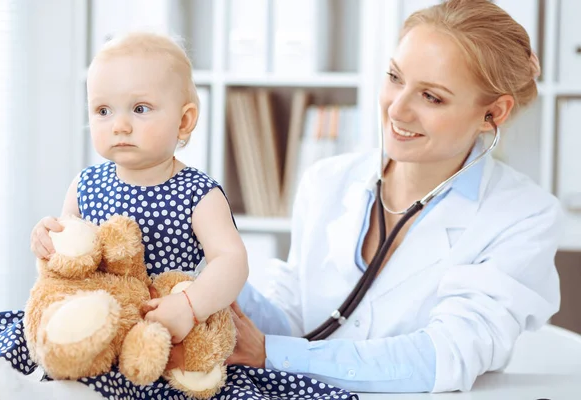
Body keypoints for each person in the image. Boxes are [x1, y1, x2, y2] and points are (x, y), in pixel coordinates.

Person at [228, 0, 562, 393]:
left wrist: (273, 354)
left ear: (494, 113)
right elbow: (295, 320)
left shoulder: (524, 217)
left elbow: (443, 357)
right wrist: (211, 270)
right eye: (394, 77)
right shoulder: (327, 181)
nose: (397, 109)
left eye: (431, 97)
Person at [29, 32, 248, 350]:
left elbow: (232, 261)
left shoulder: (199, 194)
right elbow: (69, 257)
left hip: (164, 330)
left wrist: (189, 306)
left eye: (140, 109)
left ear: (184, 121)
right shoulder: (85, 185)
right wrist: (46, 237)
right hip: (99, 332)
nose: (119, 125)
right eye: (103, 111)